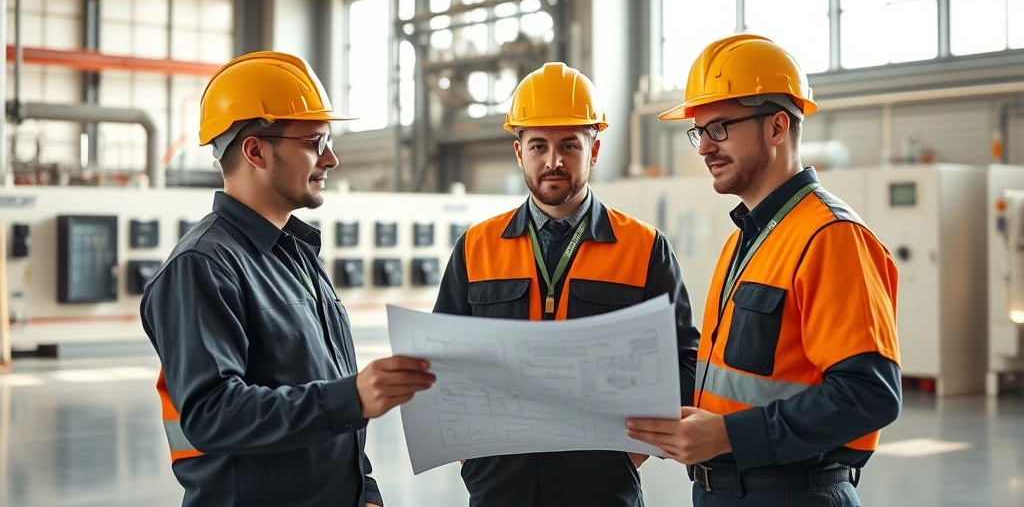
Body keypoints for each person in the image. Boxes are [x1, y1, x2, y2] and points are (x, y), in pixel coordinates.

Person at [140, 51, 436, 507]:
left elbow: (327, 384)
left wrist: (366, 494)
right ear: (256, 150)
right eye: (315, 141)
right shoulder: (203, 265)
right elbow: (209, 414)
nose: (332, 159)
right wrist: (349, 398)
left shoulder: (298, 254)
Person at [624, 34, 902, 507]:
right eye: (699, 132)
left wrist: (729, 435)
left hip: (792, 494)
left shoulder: (831, 237)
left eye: (721, 128)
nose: (704, 148)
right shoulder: (744, 240)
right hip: (725, 491)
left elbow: (869, 395)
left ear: (776, 127)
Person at [433, 61, 701, 507]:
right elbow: (442, 362)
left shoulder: (644, 247)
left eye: (569, 145)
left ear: (594, 151)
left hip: (602, 487)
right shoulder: (475, 247)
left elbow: (683, 361)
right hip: (499, 487)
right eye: (538, 145)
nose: (553, 161)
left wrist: (633, 452)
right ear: (519, 152)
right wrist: (474, 460)